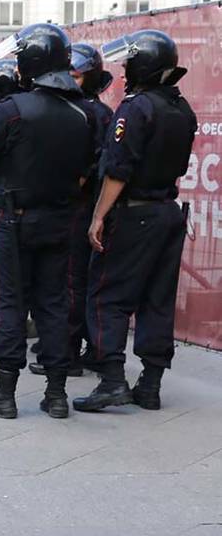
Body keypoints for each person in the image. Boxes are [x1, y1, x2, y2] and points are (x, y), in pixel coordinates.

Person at [0, 23, 97, 420]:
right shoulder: (83, 115)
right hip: (60, 220)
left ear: (31, 63)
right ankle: (55, 394)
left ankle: (4, 393)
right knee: (53, 304)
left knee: (10, 303)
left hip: (15, 220)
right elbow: (84, 168)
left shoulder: (13, 109)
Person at [73, 30, 196, 413]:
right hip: (168, 215)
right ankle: (150, 384)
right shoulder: (182, 109)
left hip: (134, 214)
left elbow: (118, 170)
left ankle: (111, 380)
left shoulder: (135, 108)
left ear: (143, 65)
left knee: (106, 295)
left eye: (128, 65)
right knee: (157, 299)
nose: (123, 73)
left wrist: (98, 216)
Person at [29, 42, 113, 378]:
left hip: (79, 207)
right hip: (68, 207)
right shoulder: (76, 110)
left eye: (76, 76)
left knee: (72, 281)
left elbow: (93, 167)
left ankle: (67, 351)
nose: (69, 81)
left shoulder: (92, 114)